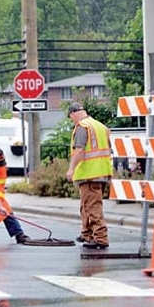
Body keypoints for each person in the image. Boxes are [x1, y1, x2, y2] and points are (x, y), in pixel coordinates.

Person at [65, 103, 113, 250]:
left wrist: (71, 169)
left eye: (70, 117)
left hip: (89, 173)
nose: (71, 120)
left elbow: (79, 150)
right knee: (86, 205)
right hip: (102, 171)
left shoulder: (82, 126)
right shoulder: (100, 126)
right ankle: (87, 234)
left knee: (92, 206)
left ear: (73, 113)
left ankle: (100, 238)